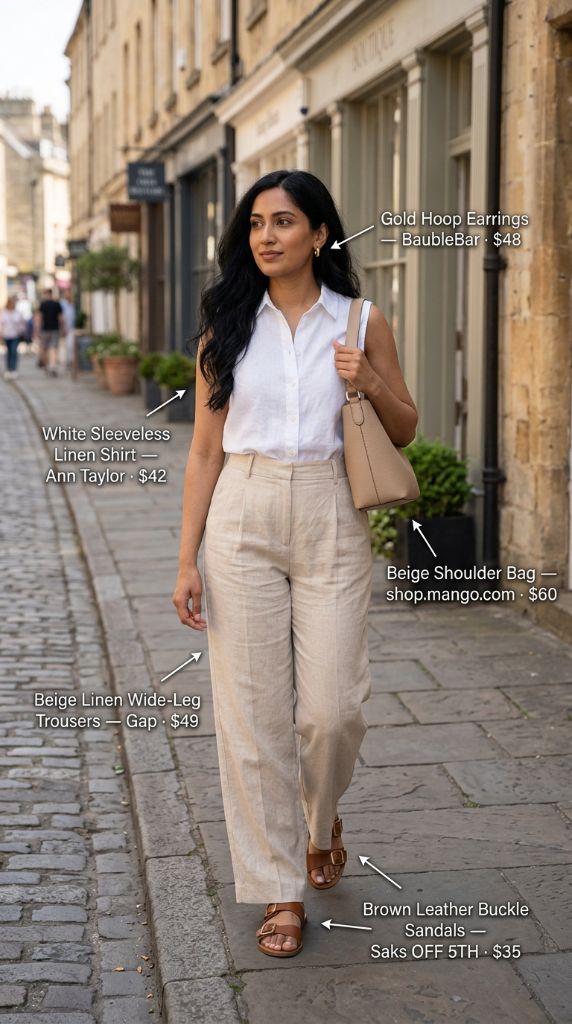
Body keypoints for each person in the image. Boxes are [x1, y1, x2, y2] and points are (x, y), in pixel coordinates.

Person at [172, 169, 418, 959]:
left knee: (332, 710)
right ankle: (280, 888)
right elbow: (205, 450)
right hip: (241, 512)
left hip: (331, 511)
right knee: (252, 718)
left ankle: (320, 822)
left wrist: (370, 379)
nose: (266, 237)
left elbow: (407, 427)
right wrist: (188, 559)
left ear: (319, 234)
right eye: (255, 225)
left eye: (283, 222)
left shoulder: (361, 318)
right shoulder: (225, 327)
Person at [34, 287, 63, 376]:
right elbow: (61, 318)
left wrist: (37, 330)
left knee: (45, 348)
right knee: (53, 348)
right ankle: (52, 365)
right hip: (55, 329)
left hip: (45, 329)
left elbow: (39, 318)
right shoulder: (57, 304)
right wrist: (62, 329)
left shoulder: (43, 305)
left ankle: (47, 365)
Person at [1, 296, 26, 379]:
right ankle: (8, 369)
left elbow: (22, 323)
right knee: (8, 353)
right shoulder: (3, 313)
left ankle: (14, 369)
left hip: (15, 335)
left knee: (14, 351)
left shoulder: (17, 313)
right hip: (6, 335)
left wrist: (21, 331)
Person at [59, 288, 76, 370]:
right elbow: (60, 317)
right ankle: (67, 362)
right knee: (66, 346)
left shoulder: (72, 304)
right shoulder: (62, 304)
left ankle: (71, 362)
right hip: (65, 328)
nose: (69, 295)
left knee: (70, 346)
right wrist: (62, 328)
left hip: (72, 328)